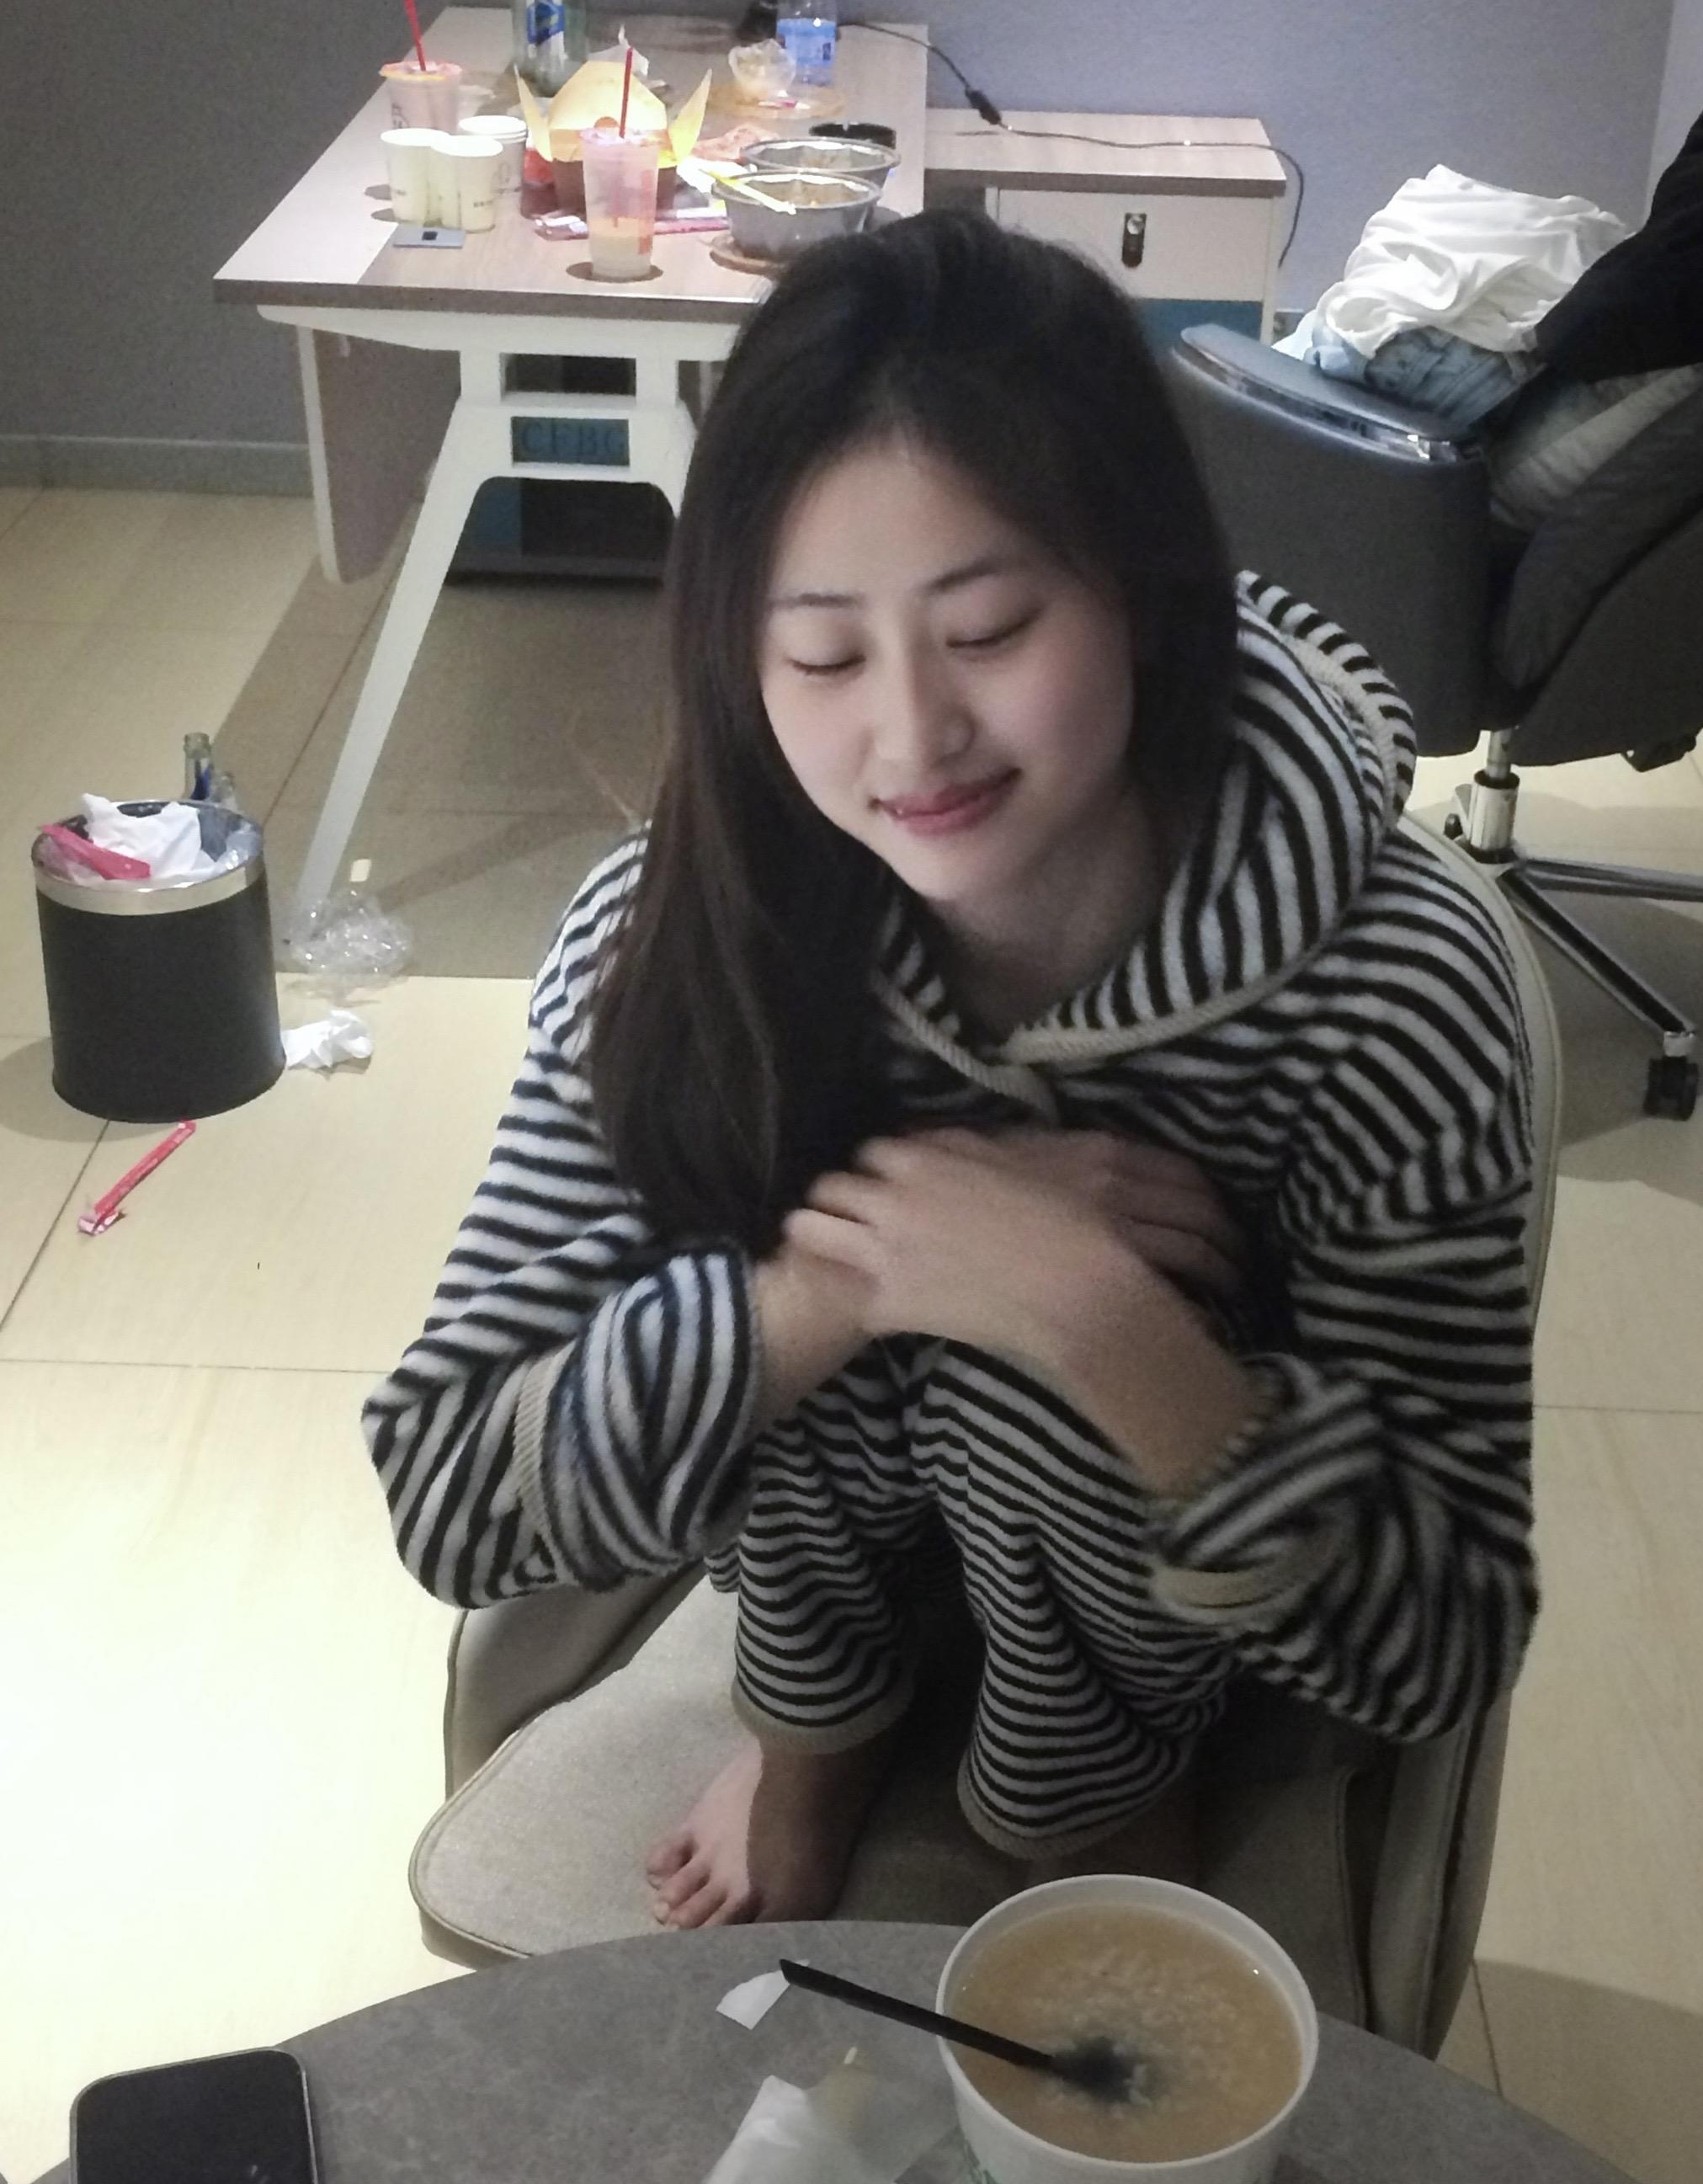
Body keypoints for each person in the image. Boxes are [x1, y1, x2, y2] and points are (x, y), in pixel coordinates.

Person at [365, 210, 1539, 1931]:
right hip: (814, 1582)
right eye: (824, 656)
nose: (912, 737)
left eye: (987, 629)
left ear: (1143, 591)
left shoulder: (1394, 985)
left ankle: (1091, 1783)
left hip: (1191, 1610)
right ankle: (820, 1730)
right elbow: (452, 1492)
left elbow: (1442, 1643)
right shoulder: (679, 932)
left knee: (1034, 1369)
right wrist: (851, 1278)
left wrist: (1101, 1323)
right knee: (791, 1262)